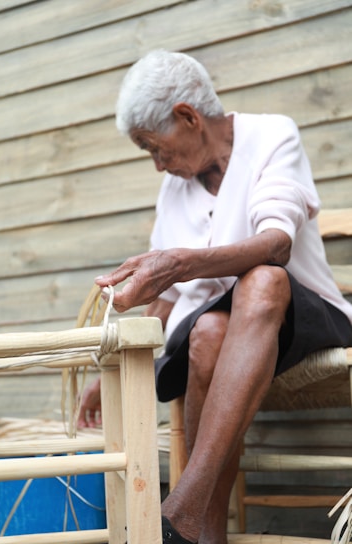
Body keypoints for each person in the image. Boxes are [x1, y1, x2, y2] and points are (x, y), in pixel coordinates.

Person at [78, 50, 352, 544]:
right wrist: (113, 360)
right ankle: (205, 532)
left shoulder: (271, 135)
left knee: (266, 279)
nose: (159, 164)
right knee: (207, 329)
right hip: (220, 333)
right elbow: (171, 297)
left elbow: (277, 244)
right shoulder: (175, 191)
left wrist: (180, 261)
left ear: (188, 117)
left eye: (154, 147)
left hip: (303, 315)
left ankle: (185, 502)